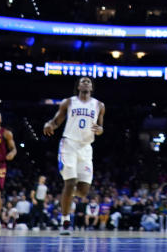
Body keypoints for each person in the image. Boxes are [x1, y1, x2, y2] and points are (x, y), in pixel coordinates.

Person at [43, 76, 105, 236]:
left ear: (92, 87)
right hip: (69, 144)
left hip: (86, 147)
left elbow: (100, 128)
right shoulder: (68, 102)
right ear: (78, 86)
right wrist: (49, 124)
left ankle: (65, 196)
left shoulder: (99, 105)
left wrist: (99, 130)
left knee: (83, 191)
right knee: (70, 182)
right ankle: (65, 220)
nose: (86, 82)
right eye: (83, 81)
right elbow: (56, 121)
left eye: (88, 81)